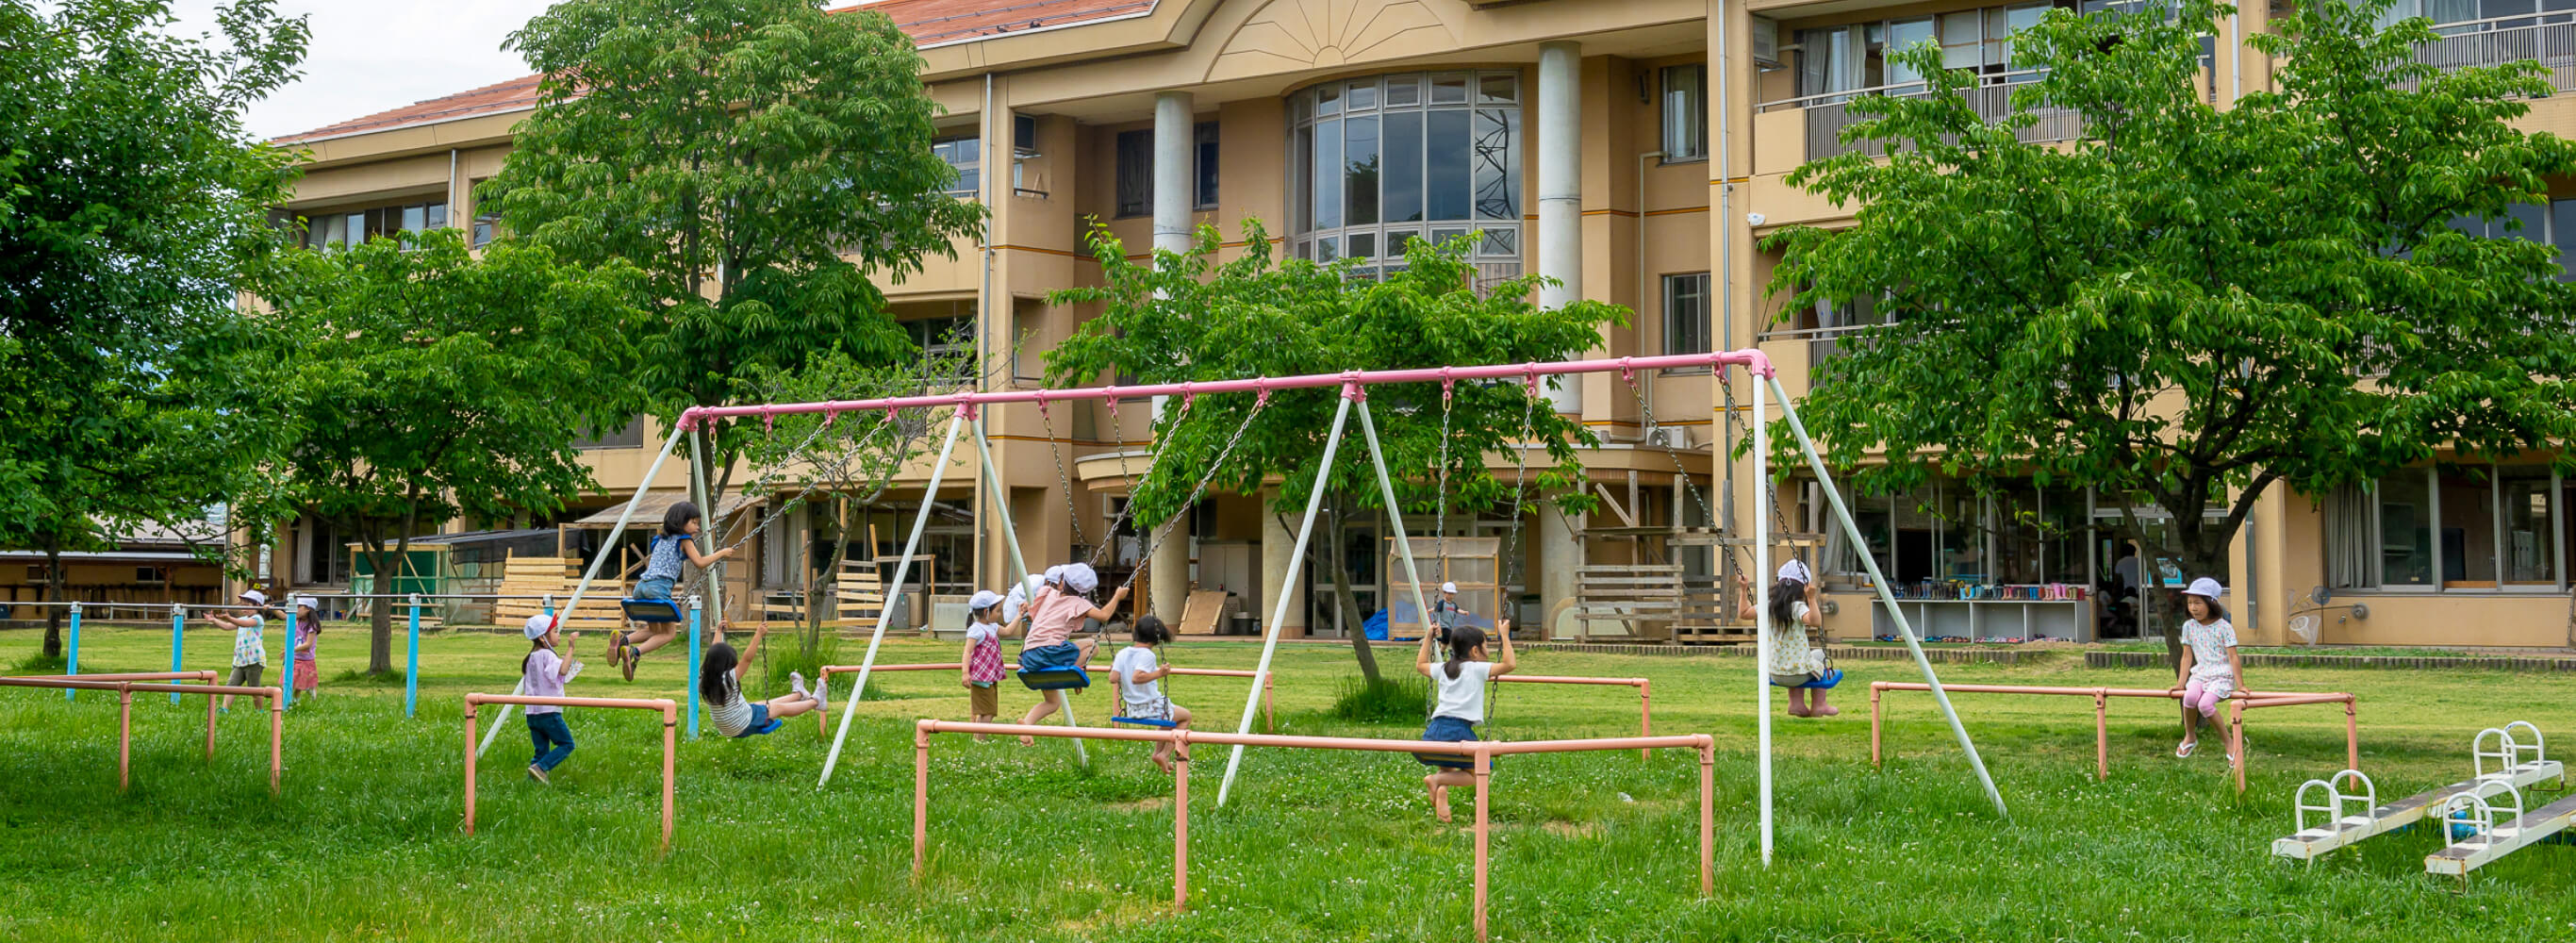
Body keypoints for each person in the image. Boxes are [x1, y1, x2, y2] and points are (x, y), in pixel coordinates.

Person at [609, 501, 738, 681]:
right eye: (693, 522)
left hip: (641, 586)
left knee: (654, 631)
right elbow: (700, 562)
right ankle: (635, 652)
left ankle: (623, 641)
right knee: (668, 634)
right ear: (680, 521)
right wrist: (721, 553)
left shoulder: (661, 539)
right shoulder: (685, 540)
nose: (697, 526)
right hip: (658, 588)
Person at [1014, 562, 1129, 745]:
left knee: (1053, 703)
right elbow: (1105, 615)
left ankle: (1026, 725)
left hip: (1028, 655)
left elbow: (1036, 615)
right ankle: (1074, 671)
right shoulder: (1078, 603)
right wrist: (1117, 596)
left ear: (1061, 583)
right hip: (1048, 652)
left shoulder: (1047, 593)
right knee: (1092, 646)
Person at [1413, 620, 1514, 822]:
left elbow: (1420, 665)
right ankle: (1436, 780)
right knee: (1476, 773)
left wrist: (1428, 638)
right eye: (1486, 644)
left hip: (1435, 730)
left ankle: (1442, 790)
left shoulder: (1444, 668)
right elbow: (1510, 664)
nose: (1489, 648)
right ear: (1475, 651)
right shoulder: (1476, 669)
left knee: (1447, 764)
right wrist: (1504, 634)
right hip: (1458, 730)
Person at [1740, 560, 1835, 718]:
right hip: (1797, 675)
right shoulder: (1798, 607)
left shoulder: (1767, 606)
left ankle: (1796, 704)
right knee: (1819, 655)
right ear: (1801, 589)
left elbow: (1743, 613)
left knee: (1796, 659)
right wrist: (1811, 599)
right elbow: (1816, 622)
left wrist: (1743, 590)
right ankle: (1819, 705)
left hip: (1775, 673)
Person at [699, 622, 825, 738]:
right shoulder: (728, 679)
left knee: (761, 704)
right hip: (743, 724)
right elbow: (747, 659)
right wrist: (758, 634)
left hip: (728, 728)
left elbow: (714, 653)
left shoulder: (704, 678)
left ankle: (799, 694)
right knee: (779, 708)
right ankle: (816, 702)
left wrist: (718, 631)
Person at [2170, 577, 2244, 762]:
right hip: (2200, 674)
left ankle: (2229, 742)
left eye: (2198, 603)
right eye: (2189, 603)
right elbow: (2187, 657)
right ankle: (2190, 736)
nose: (2193, 607)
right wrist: (2180, 684)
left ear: (2211, 604)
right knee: (2189, 697)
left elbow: (2233, 657)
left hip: (2221, 675)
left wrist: (2241, 686)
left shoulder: (2224, 628)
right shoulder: (2189, 627)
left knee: (2205, 705)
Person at [1111, 615, 1194, 773]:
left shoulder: (1122, 653)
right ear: (1157, 637)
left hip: (1132, 709)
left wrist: (1117, 667)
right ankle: (1164, 754)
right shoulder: (1147, 654)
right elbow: (1137, 677)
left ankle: (1158, 754)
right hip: (1151, 707)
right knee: (1185, 717)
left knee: (1167, 719)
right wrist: (1160, 673)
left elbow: (1113, 678)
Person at [520, 613, 582, 784]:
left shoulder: (530, 658)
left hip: (532, 713)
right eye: (555, 631)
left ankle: (530, 782)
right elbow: (562, 670)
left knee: (540, 752)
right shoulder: (548, 656)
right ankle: (541, 768)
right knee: (567, 744)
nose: (558, 634)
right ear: (542, 638)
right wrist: (571, 648)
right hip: (549, 712)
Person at [206, 589, 273, 712]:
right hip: (240, 660)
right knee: (231, 686)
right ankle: (224, 709)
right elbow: (227, 627)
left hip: (254, 660)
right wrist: (214, 620)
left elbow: (244, 624)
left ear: (258, 606)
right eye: (242, 606)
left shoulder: (257, 619)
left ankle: (260, 710)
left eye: (247, 606)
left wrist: (229, 618)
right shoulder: (242, 618)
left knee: (254, 689)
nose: (244, 609)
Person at [961, 588, 1011, 739]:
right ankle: (979, 741)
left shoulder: (992, 627)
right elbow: (967, 652)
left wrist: (1020, 615)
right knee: (987, 712)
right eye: (998, 611)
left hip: (990, 676)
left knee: (988, 711)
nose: (1000, 614)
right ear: (986, 612)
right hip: (981, 678)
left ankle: (978, 739)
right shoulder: (976, 630)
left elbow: (1008, 631)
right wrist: (965, 673)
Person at [289, 595, 322, 702]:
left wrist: (291, 649)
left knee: (299, 685)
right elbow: (283, 615)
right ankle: (293, 702)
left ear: (308, 609)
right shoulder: (295, 620)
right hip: (295, 658)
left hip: (306, 660)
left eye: (299, 607)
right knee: (293, 682)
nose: (296, 609)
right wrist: (271, 608)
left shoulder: (312, 626)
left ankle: (309, 695)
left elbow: (308, 644)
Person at [1429, 581, 1470, 645]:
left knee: (1446, 641)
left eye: (1452, 594)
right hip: (1443, 625)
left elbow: (1458, 610)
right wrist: (1429, 611)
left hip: (1449, 625)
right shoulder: (1442, 603)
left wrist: (1464, 612)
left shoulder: (1453, 604)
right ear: (1444, 593)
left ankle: (1442, 651)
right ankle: (1453, 650)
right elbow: (1435, 608)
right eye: (1449, 593)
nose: (1451, 596)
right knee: (1451, 636)